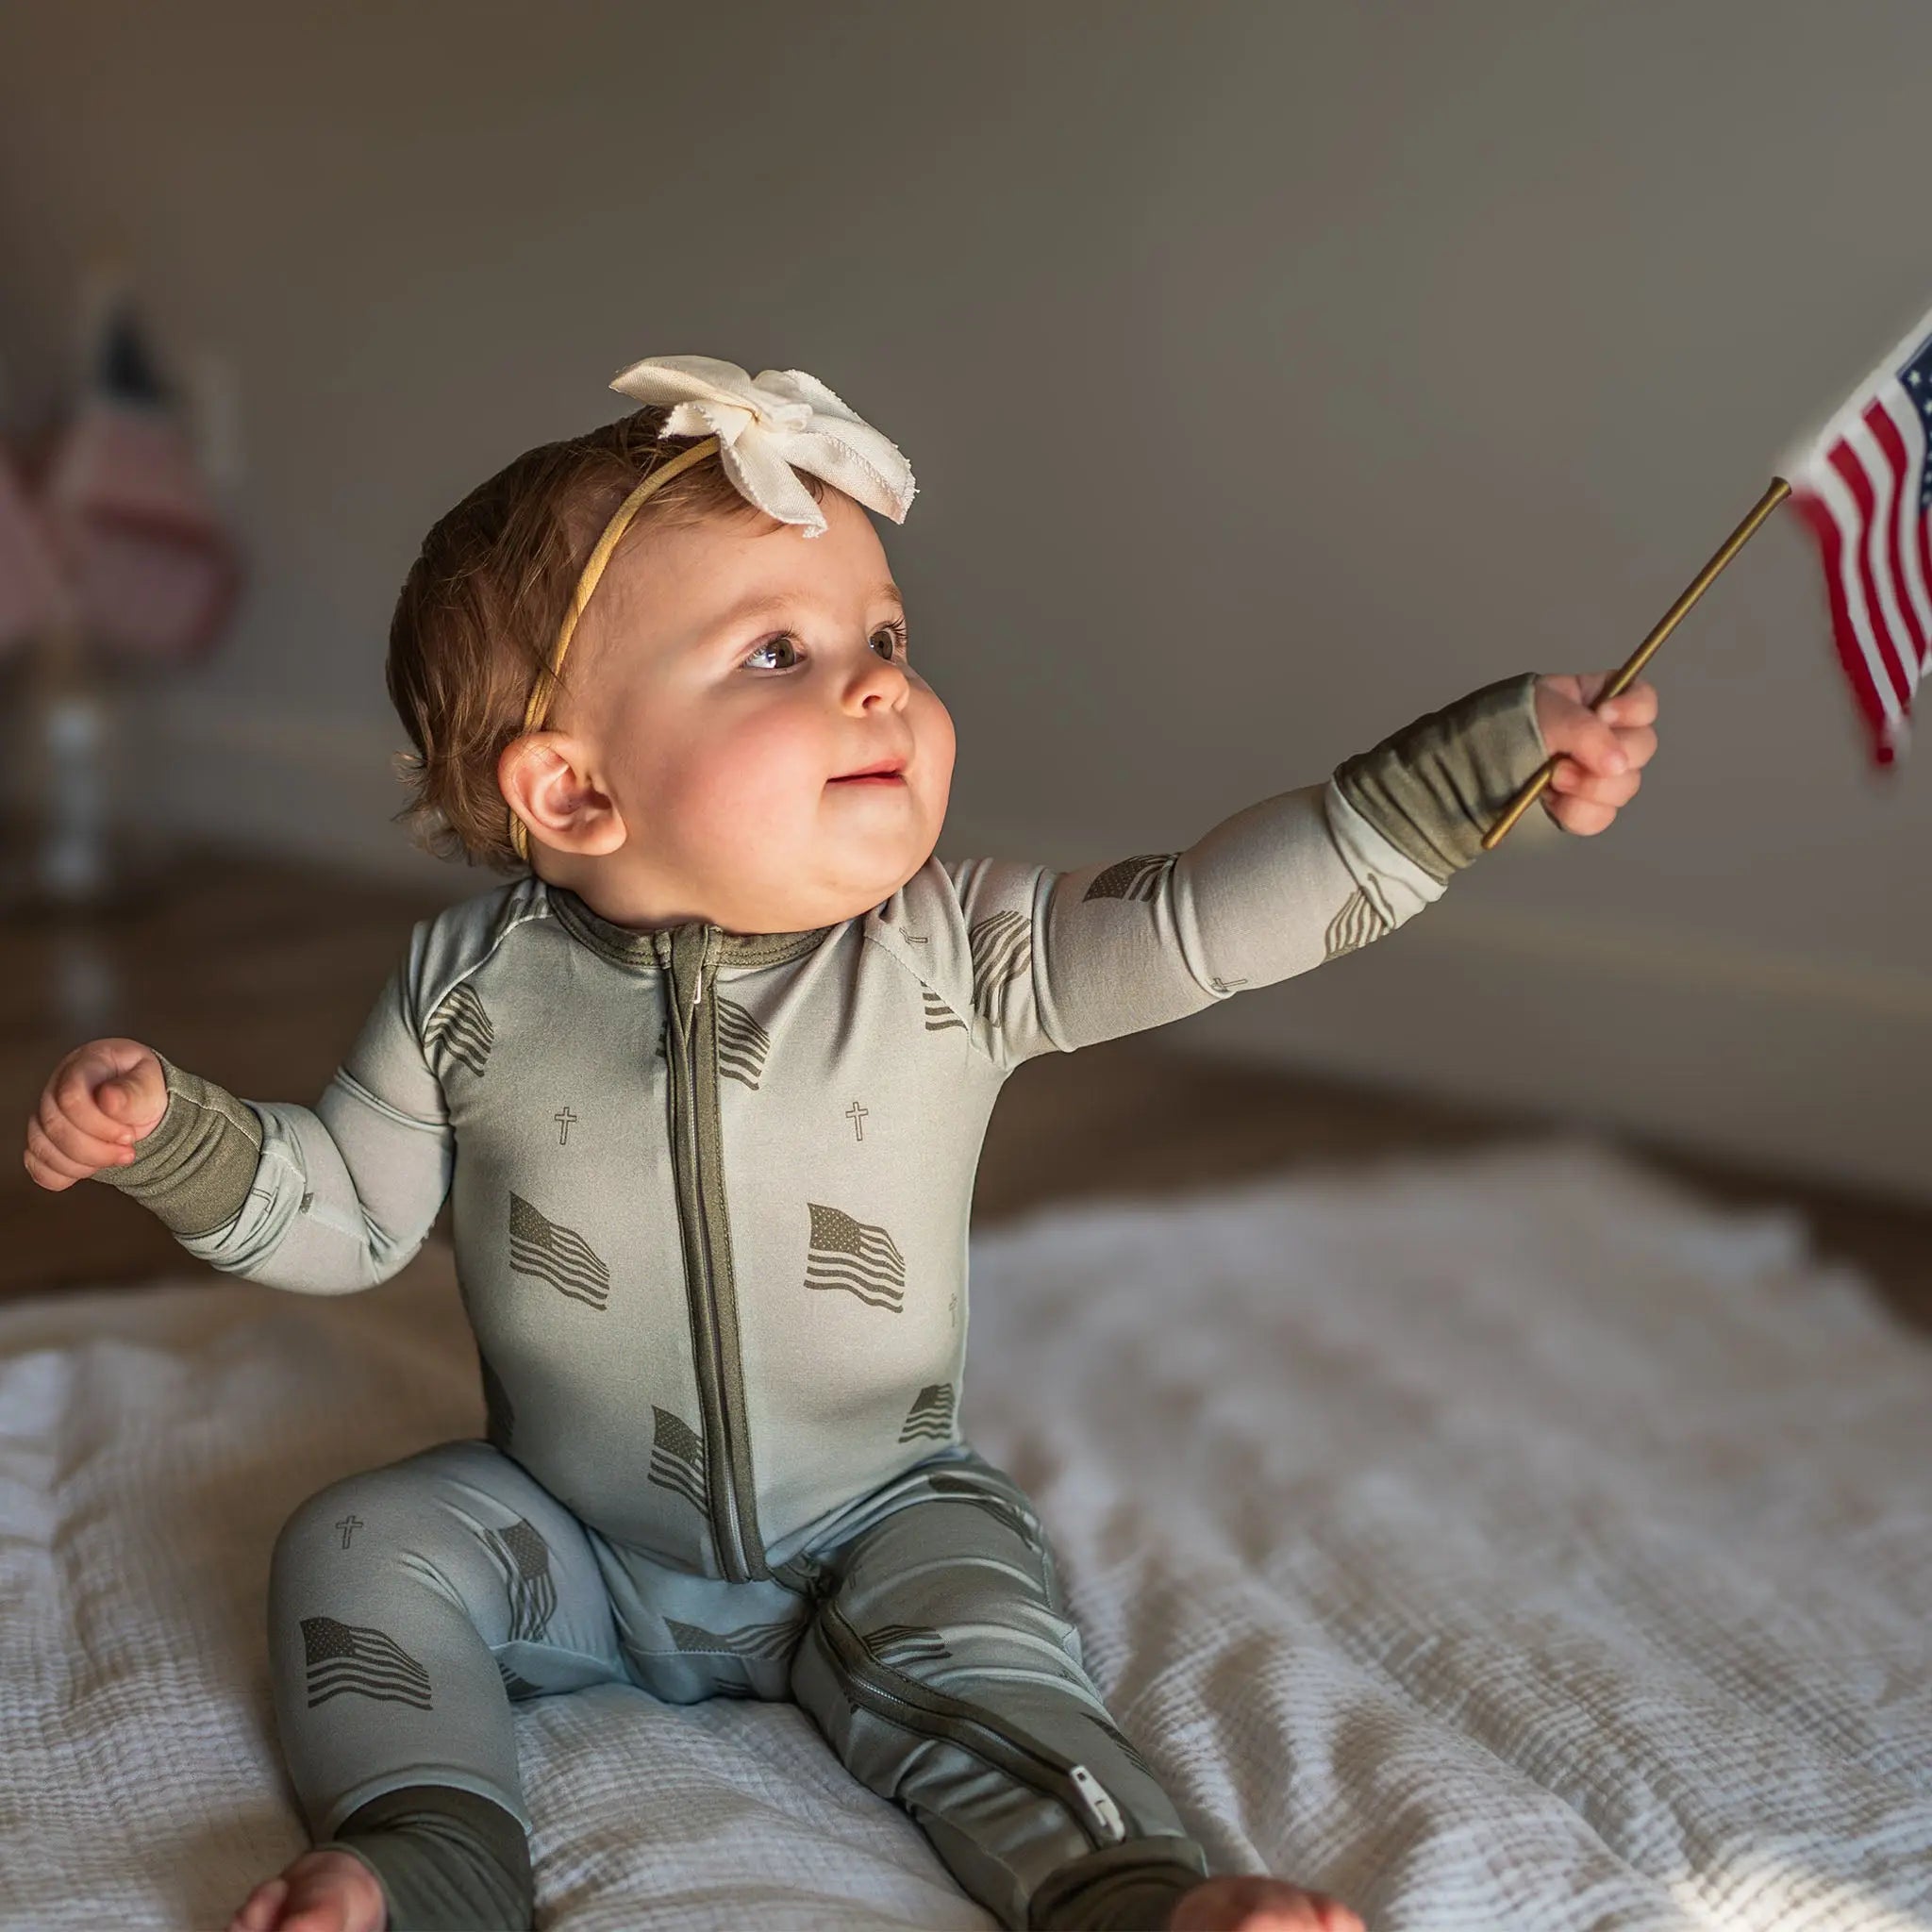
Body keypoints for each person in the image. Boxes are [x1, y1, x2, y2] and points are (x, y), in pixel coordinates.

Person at [25, 354, 1658, 1932]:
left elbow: (1219, 917)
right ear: (573, 790)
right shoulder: (468, 991)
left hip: (877, 1517)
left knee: (994, 1672)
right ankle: (430, 1848)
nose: (879, 678)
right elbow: (350, 1221)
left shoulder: (953, 952)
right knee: (358, 1550)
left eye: (881, 633)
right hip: (575, 1531)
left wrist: (1477, 766)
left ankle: (1129, 1895)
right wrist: (180, 1141)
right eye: (774, 655)